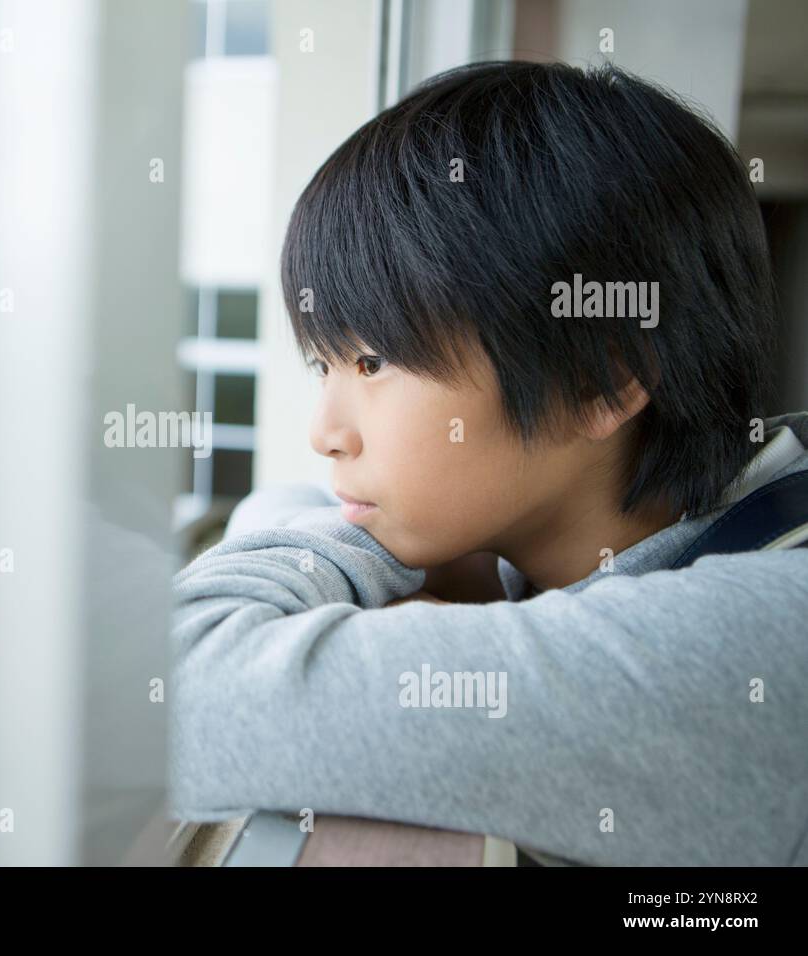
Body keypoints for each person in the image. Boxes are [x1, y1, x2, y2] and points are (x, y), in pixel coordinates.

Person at [168, 60, 808, 866]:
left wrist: (422, 602)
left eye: (372, 363)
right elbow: (280, 507)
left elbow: (170, 696)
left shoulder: (754, 642)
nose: (326, 432)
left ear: (601, 379)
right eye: (320, 367)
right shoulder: (596, 542)